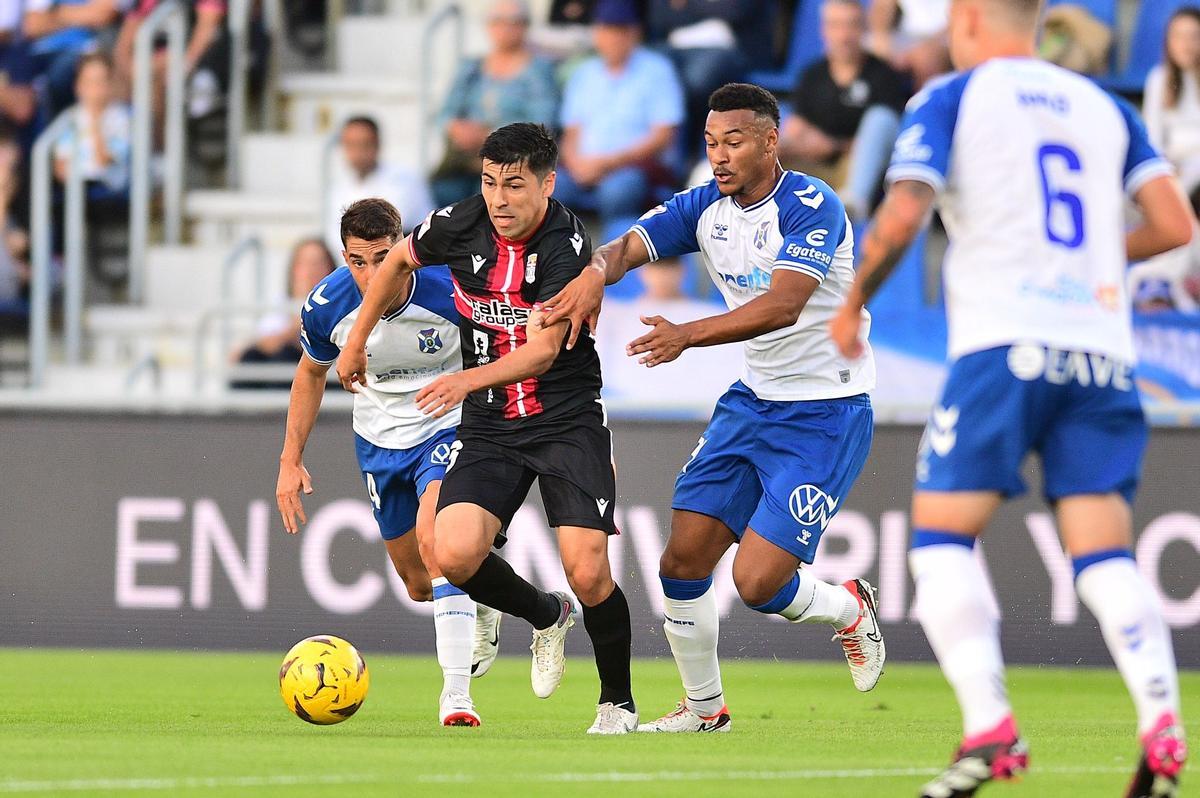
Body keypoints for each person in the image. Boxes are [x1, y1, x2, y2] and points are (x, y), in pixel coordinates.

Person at [828, 1, 1193, 795]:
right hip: (1100, 351)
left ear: (964, 19)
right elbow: (1174, 223)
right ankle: (1163, 721)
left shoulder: (953, 96)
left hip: (1004, 345)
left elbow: (904, 208)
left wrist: (855, 300)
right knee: (1103, 553)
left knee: (942, 541)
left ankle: (992, 729)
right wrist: (1091, 257)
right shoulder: (1104, 106)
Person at [542, 82, 885, 734]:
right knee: (682, 562)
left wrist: (687, 335)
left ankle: (848, 608)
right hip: (753, 402)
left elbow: (784, 305)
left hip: (827, 409)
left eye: (733, 142)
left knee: (758, 587)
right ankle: (706, 711)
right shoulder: (707, 207)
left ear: (769, 140)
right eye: (709, 144)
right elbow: (628, 246)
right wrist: (595, 271)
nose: (719, 156)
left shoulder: (813, 205)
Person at [336, 122, 638, 735]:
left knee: (588, 570)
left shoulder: (566, 245)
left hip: (564, 417)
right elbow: (397, 259)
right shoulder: (461, 221)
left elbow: (542, 353)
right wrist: (358, 338)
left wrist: (464, 382)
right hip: (494, 425)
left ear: (548, 185)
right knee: (451, 551)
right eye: (489, 182)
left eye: (515, 185)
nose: (499, 199)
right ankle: (547, 615)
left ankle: (617, 703)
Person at [276, 199, 501, 728]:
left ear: (403, 245)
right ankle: (485, 594)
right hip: (379, 440)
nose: (372, 273)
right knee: (419, 582)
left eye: (383, 257)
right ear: (345, 256)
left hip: (448, 424)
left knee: (435, 536)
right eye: (358, 260)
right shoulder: (327, 303)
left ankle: (457, 695)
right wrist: (290, 460)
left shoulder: (451, 285)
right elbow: (310, 375)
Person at [555, 0, 684, 224]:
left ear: (635, 33)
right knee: (549, 187)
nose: (613, 38)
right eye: (606, 29)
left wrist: (608, 163)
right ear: (596, 32)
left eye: (621, 30)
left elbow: (663, 137)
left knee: (617, 192)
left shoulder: (657, 70)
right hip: (584, 166)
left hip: (633, 166)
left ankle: (614, 254)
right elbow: (570, 133)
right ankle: (559, 256)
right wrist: (576, 164)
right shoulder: (584, 73)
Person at [781, 0, 909, 221]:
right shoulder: (812, 75)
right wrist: (801, 142)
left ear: (863, 28)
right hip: (814, 166)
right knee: (772, 116)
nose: (844, 35)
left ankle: (853, 202)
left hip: (859, 170)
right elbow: (797, 127)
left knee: (880, 118)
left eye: (851, 25)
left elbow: (888, 138)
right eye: (836, 25)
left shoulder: (883, 75)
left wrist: (833, 147)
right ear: (824, 30)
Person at [431, 0, 559, 208]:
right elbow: (445, 113)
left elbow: (543, 122)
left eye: (513, 22)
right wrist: (456, 128)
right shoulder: (471, 68)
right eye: (498, 22)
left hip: (513, 164)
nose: (505, 29)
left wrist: (488, 134)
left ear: (525, 26)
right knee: (445, 191)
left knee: (486, 196)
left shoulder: (538, 71)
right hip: (465, 161)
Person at [645, 0, 774, 152]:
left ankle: (689, 154)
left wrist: (687, 5)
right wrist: (710, 7)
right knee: (643, 71)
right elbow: (659, 16)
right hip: (672, 48)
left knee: (695, 80)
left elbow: (735, 10)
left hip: (724, 49)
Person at [232, 237, 336, 390]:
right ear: (294, 269)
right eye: (304, 264)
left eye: (317, 264)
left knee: (286, 357)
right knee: (250, 358)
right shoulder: (282, 303)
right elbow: (265, 342)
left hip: (324, 370)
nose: (311, 271)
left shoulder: (339, 303)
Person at [326, 116, 434, 257]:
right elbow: (334, 238)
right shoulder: (338, 189)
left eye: (364, 144)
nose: (357, 152)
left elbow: (388, 232)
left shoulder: (404, 180)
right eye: (351, 144)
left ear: (377, 144)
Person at [53, 53, 131, 204]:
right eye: (89, 82)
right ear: (78, 86)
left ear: (110, 85)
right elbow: (60, 166)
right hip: (75, 186)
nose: (94, 89)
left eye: (99, 82)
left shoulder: (121, 118)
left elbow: (104, 161)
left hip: (107, 186)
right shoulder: (69, 118)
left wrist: (95, 122)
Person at [22, 0, 124, 115]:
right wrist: (82, 15)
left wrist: (56, 12)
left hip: (83, 49)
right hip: (42, 53)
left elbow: (102, 15)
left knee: (60, 73)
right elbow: (33, 25)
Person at [867, 0, 951, 89]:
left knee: (926, 57)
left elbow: (959, 19)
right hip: (906, 37)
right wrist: (881, 37)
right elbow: (882, 8)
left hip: (943, 39)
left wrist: (927, 44)